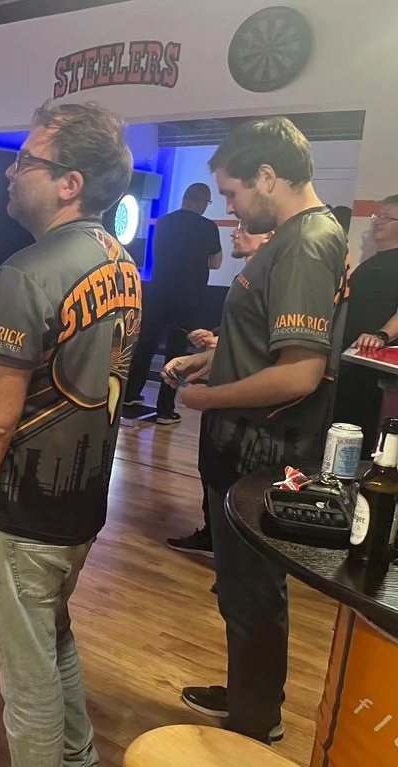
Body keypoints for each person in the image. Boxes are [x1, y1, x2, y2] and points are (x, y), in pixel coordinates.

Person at [0, 100, 136, 767]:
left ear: (69, 183)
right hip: (80, 508)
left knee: (26, 681)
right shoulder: (120, 261)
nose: (10, 170)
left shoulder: (28, 270)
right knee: (52, 638)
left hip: (24, 515)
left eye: (26, 159)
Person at [164, 117, 348, 743]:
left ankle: (254, 724)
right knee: (242, 590)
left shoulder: (306, 242)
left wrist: (207, 396)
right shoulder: (292, 238)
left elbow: (299, 373)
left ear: (268, 176)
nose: (231, 208)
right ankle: (249, 694)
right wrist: (212, 360)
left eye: (234, 193)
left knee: (253, 592)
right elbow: (267, 345)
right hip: (242, 448)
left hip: (261, 454)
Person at [166, 222, 272, 557]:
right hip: (225, 397)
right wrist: (215, 339)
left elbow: (265, 346)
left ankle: (234, 552)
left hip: (245, 404)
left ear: (269, 236)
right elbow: (241, 331)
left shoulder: (274, 279)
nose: (235, 231)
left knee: (235, 478)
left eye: (246, 228)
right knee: (212, 469)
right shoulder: (247, 275)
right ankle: (213, 536)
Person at [123, 183, 223, 424]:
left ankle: (130, 395)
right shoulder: (208, 227)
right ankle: (165, 410)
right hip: (189, 296)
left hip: (158, 292)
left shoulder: (164, 222)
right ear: (201, 201)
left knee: (146, 343)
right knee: (176, 350)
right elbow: (216, 263)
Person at [332, 194, 398, 457]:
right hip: (348, 360)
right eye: (377, 215)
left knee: (360, 437)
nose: (377, 221)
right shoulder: (371, 262)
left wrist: (381, 335)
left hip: (373, 370)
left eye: (386, 217)